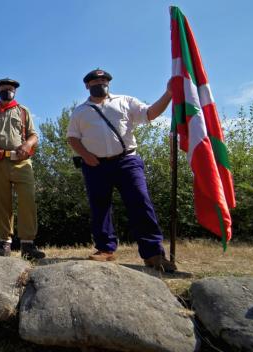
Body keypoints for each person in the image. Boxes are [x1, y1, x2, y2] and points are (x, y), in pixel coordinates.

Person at [67, 68, 176, 272]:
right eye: (95, 81)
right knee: (99, 207)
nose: (100, 83)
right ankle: (105, 249)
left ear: (108, 82)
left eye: (104, 80)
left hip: (128, 161)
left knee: (141, 202)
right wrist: (85, 155)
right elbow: (72, 137)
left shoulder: (125, 101)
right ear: (87, 85)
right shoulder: (80, 111)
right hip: (95, 165)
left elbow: (150, 113)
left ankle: (153, 253)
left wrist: (169, 93)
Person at [0, 78, 45, 260]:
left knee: (27, 200)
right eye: (4, 88)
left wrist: (27, 144)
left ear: (15, 91)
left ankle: (28, 245)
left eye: (11, 88)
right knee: (1, 203)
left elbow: (34, 135)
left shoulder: (23, 111)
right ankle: (4, 243)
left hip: (22, 162)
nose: (8, 90)